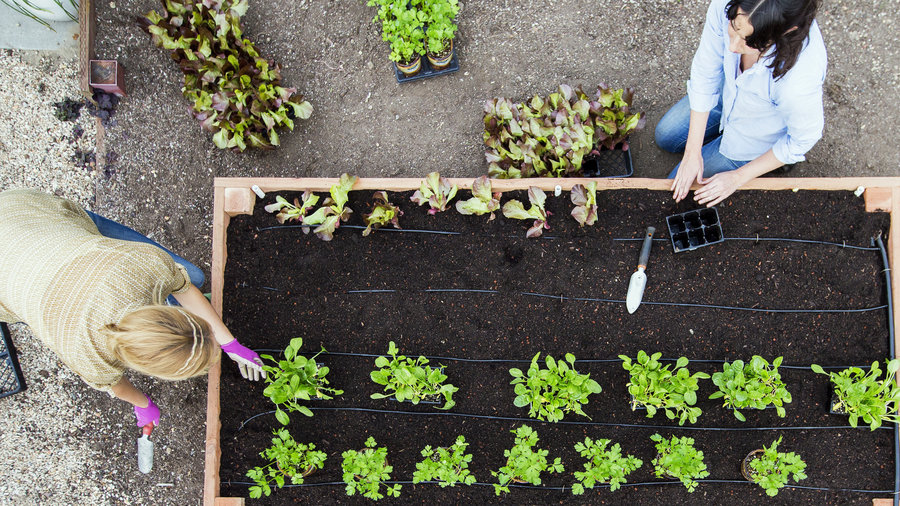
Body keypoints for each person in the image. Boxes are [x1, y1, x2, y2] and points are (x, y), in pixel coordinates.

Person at [0, 189, 265, 430]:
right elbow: (116, 386)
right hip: (12, 263)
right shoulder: (85, 354)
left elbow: (184, 288)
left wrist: (229, 343)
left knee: (193, 277)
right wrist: (142, 403)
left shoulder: (143, 265)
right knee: (30, 307)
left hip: (29, 216)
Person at [655, 0, 826, 206]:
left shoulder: (798, 81)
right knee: (665, 136)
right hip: (728, 92)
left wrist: (737, 177)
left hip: (755, 134)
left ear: (786, 32)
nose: (732, 46)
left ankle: (773, 163)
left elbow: (803, 139)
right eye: (734, 28)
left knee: (676, 186)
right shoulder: (726, 5)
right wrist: (692, 152)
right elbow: (705, 72)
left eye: (750, 42)